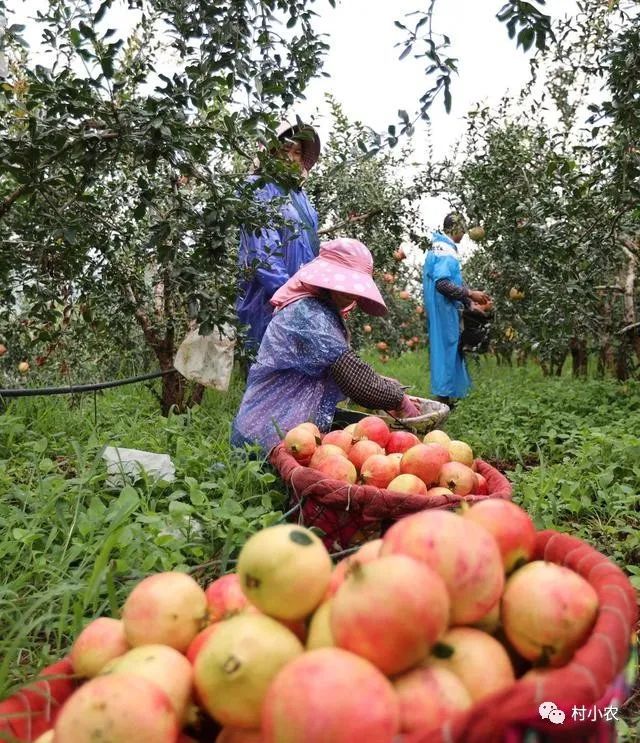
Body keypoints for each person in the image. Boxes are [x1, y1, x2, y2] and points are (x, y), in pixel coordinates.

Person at [231, 238, 421, 455]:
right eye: (346, 283)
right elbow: (354, 379)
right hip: (265, 437)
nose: (352, 292)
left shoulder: (316, 309)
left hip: (276, 429)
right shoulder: (310, 316)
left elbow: (338, 367)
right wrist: (398, 399)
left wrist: (386, 386)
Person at [236, 120, 322, 357]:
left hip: (301, 301)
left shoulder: (302, 198)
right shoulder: (256, 188)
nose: (291, 158)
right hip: (269, 303)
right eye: (285, 150)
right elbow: (263, 253)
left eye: (297, 153)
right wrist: (289, 297)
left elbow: (312, 252)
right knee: (267, 379)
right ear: (270, 152)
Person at [422, 212, 492, 408]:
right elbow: (443, 284)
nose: (464, 234)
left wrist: (469, 305)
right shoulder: (444, 250)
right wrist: (471, 294)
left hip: (443, 308)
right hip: (442, 310)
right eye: (463, 229)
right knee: (446, 350)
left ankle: (448, 399)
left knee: (450, 349)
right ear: (456, 229)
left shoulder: (438, 246)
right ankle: (443, 403)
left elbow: (449, 284)